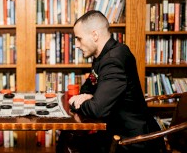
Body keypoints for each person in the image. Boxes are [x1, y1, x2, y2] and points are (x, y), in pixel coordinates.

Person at [57, 10, 164, 153]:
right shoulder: (102, 55)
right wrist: (90, 96)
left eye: (79, 38)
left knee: (70, 142)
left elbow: (97, 109)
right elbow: (87, 88)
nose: (76, 45)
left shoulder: (114, 59)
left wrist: (80, 102)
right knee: (67, 137)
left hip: (133, 141)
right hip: (114, 132)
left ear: (94, 35)